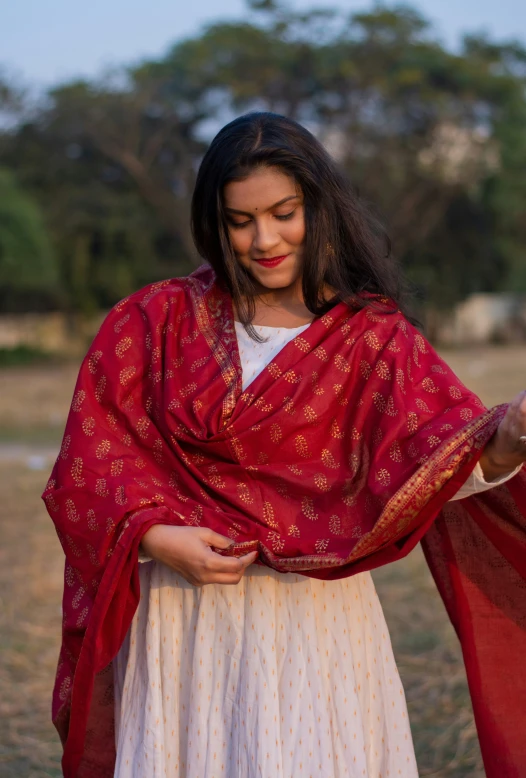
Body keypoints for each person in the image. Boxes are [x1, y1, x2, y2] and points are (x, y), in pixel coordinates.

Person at [43, 112, 526, 778]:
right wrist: (154, 538)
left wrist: (511, 436)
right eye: (241, 221)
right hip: (183, 621)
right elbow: (87, 466)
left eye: (283, 213)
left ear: (318, 209)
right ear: (214, 221)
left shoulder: (372, 339)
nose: (263, 239)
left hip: (313, 624)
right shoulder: (153, 320)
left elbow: (444, 458)